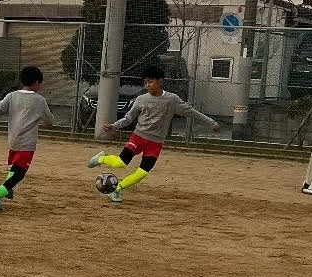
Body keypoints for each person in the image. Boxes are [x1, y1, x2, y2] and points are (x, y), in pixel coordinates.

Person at [89, 64, 219, 203]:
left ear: (160, 81)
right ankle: (101, 158)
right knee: (121, 163)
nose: (147, 85)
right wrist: (114, 126)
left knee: (143, 172)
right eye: (145, 82)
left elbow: (192, 112)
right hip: (138, 137)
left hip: (155, 143)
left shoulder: (172, 100)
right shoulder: (141, 99)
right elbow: (129, 118)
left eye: (150, 82)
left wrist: (211, 123)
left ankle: (117, 189)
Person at [0, 65, 56, 212]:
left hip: (13, 140)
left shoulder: (12, 96)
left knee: (16, 167)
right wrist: (45, 122)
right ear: (37, 82)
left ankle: (9, 189)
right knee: (20, 174)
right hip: (27, 143)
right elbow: (50, 120)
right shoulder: (39, 100)